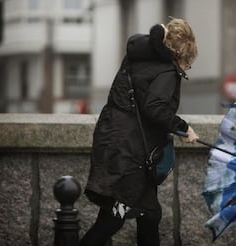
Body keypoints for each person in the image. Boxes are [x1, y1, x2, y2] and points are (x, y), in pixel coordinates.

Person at [80, 18, 199, 246]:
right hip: (131, 152)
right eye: (188, 64)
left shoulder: (138, 57)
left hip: (114, 140)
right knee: (115, 215)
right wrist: (183, 127)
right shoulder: (166, 71)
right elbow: (154, 107)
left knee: (149, 213)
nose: (186, 69)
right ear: (182, 55)